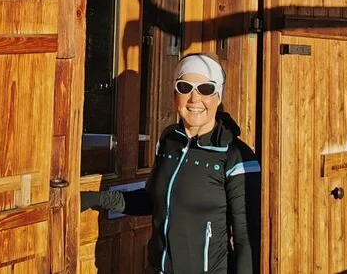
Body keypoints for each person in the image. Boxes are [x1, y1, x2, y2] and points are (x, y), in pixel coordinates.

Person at [79, 54, 260, 274]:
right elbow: (151, 200)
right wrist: (97, 199)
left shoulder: (237, 157)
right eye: (185, 87)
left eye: (206, 88)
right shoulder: (169, 141)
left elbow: (246, 240)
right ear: (175, 94)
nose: (194, 98)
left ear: (218, 96)